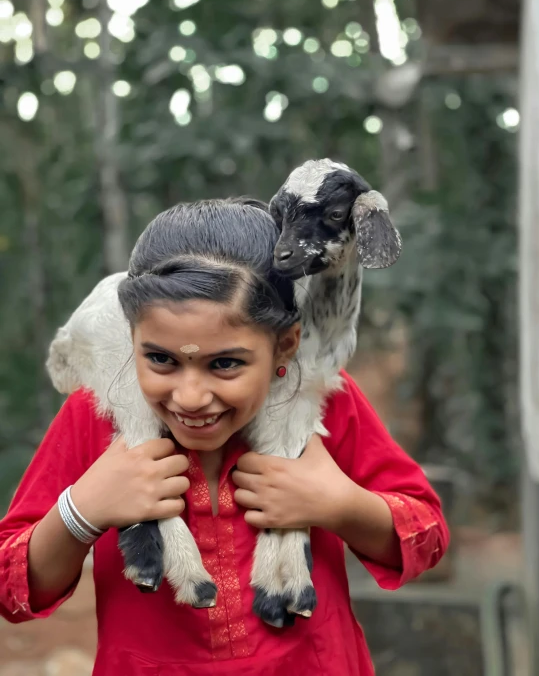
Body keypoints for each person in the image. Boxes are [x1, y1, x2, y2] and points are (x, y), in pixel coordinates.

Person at [0, 198, 449, 676]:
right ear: (131, 337)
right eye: (161, 360)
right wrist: (81, 511)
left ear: (286, 344)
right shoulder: (98, 411)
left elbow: (427, 536)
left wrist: (338, 504)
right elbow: (13, 589)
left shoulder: (317, 396)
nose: (190, 397)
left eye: (225, 364)